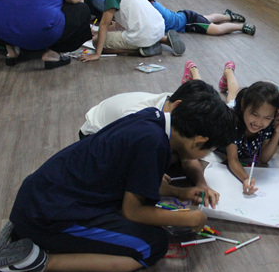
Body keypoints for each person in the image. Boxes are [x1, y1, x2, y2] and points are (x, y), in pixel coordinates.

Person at [0, 90, 237, 272]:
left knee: (142, 224)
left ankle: (23, 233)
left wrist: (179, 193)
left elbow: (134, 179)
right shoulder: (154, 145)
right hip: (49, 215)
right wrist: (190, 219)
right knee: (151, 246)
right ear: (199, 140)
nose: (205, 155)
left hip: (40, 195)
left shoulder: (153, 119)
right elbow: (133, 211)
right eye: (209, 150)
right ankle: (36, 262)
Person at [79, 80, 222, 207]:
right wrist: (155, 175)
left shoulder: (178, 107)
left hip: (131, 138)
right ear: (178, 106)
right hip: (94, 134)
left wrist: (201, 184)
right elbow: (133, 205)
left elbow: (188, 158)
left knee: (183, 148)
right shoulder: (138, 120)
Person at [182, 60, 279, 195]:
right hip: (229, 113)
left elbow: (265, 158)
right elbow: (233, 160)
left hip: (239, 107)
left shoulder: (268, 122)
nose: (259, 122)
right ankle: (193, 70)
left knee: (233, 96)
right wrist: (245, 178)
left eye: (267, 118)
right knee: (206, 96)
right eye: (254, 114)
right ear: (243, 105)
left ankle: (228, 72)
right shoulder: (232, 123)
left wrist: (277, 131)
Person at [78, 0, 185, 62]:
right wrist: (97, 32)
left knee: (97, 42)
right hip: (159, 29)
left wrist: (97, 54)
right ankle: (161, 41)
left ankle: (141, 50)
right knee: (116, 35)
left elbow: (104, 24)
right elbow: (118, 26)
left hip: (142, 35)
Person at [131, 0, 256, 36]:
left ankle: (241, 27)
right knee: (206, 18)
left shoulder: (151, 9)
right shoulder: (150, 4)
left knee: (216, 30)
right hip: (185, 17)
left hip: (188, 22)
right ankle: (228, 16)